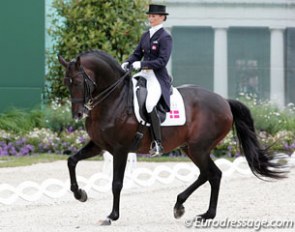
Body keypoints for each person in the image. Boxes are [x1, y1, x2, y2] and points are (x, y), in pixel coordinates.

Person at [121, 4, 173, 156]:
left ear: (162, 17)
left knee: (150, 104)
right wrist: (128, 62)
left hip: (157, 77)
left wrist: (142, 64)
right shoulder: (146, 35)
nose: (151, 18)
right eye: (150, 16)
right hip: (143, 75)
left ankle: (157, 143)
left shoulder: (165, 37)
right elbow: (137, 54)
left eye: (154, 16)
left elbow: (162, 61)